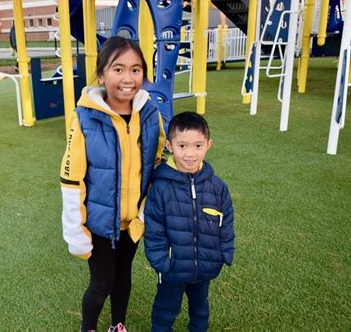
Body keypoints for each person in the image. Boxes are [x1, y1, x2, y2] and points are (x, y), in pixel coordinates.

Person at [60, 36, 165, 332]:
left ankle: (118, 325)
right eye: (118, 69)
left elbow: (156, 164)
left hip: (133, 222)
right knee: (101, 284)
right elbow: (70, 177)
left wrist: (146, 211)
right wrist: (74, 229)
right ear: (102, 73)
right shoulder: (84, 118)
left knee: (123, 277)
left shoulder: (150, 114)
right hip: (99, 224)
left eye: (135, 69)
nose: (128, 78)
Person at [144, 111, 235, 332]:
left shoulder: (217, 186)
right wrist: (162, 263)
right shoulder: (161, 187)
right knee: (165, 310)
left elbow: (227, 223)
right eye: (182, 146)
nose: (190, 154)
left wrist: (224, 254)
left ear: (208, 145)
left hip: (206, 265)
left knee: (200, 308)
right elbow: (154, 230)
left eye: (197, 146)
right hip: (173, 268)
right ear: (169, 145)